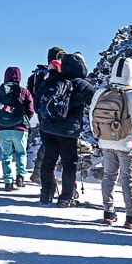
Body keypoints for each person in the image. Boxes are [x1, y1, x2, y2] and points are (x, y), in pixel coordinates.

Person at [90, 57, 132, 228]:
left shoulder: (101, 92)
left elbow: (92, 117)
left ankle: (108, 212)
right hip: (127, 144)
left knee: (108, 176)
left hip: (106, 142)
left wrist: (100, 137)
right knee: (128, 180)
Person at [35, 53, 94, 207]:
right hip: (69, 131)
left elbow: (36, 103)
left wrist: (47, 119)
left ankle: (46, 194)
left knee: (48, 160)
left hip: (48, 128)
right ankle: (66, 197)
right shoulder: (82, 84)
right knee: (69, 164)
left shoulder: (52, 80)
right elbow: (95, 103)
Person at [0, 66, 36, 191]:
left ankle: (8, 182)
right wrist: (23, 121)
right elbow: (31, 110)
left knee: (6, 155)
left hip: (2, 129)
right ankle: (20, 176)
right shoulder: (24, 91)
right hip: (20, 129)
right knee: (21, 153)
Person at [28, 46, 65, 185]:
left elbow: (31, 93)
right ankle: (43, 174)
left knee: (47, 142)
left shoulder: (37, 74)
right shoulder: (56, 72)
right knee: (52, 144)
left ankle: (39, 172)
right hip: (55, 112)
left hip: (42, 112)